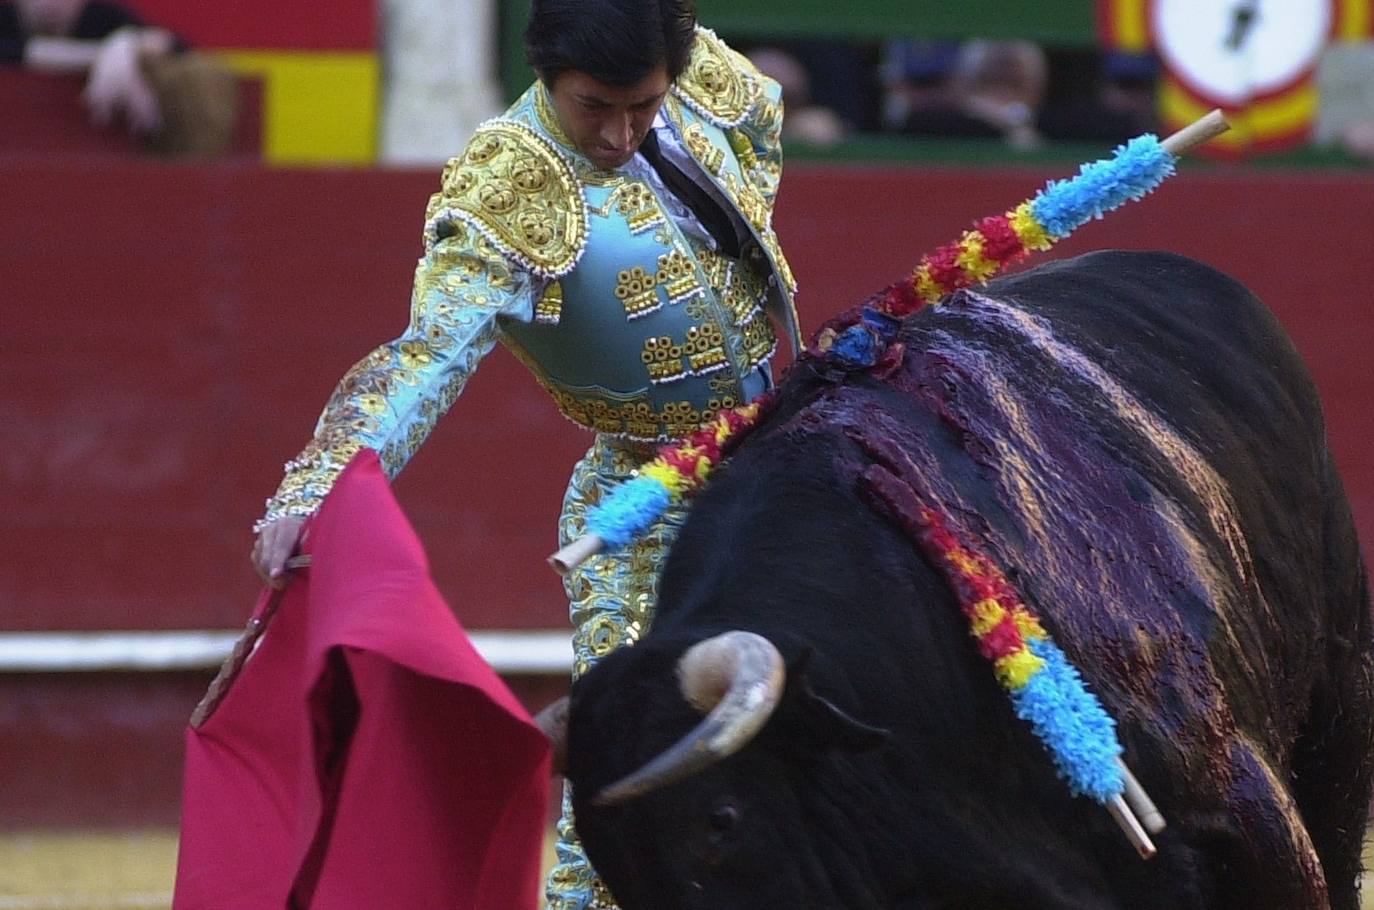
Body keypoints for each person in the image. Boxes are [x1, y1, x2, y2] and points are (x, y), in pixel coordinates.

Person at [249, 0, 798, 906]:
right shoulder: (509, 185)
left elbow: (762, 121)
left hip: (783, 462)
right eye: (594, 108)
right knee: (623, 777)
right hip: (641, 503)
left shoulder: (696, 74)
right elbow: (426, 357)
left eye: (644, 108)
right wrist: (316, 489)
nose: (621, 135)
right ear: (545, 72)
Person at [0, 0, 176, 134]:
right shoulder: (5, 17)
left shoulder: (102, 15)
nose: (50, 3)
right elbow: (16, 51)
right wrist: (109, 55)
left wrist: (125, 44)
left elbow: (175, 45)